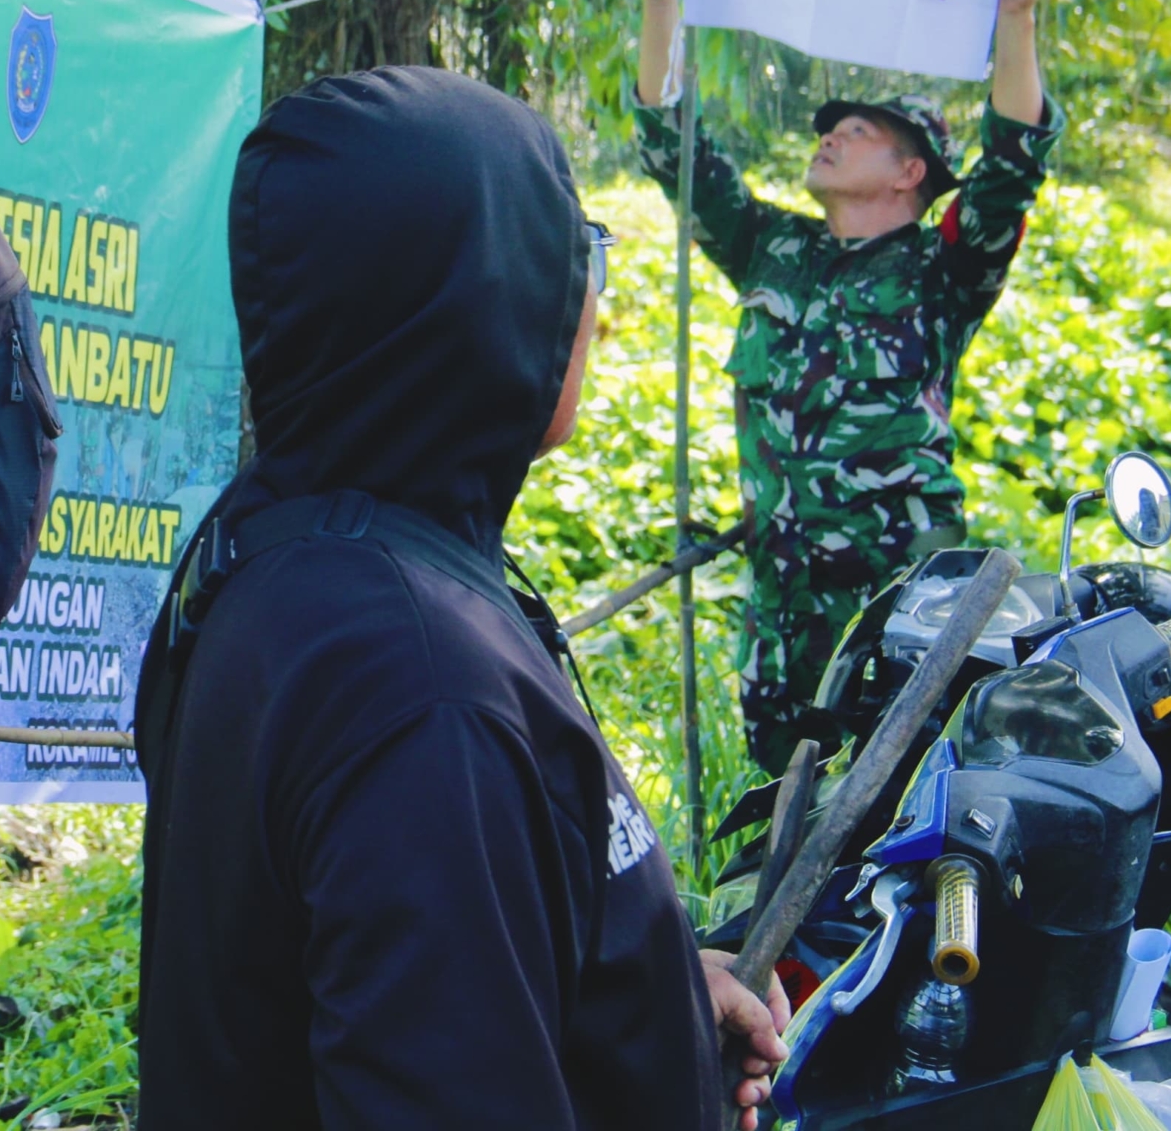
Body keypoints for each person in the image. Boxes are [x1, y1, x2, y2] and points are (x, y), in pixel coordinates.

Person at [133, 67, 791, 1131]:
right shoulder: (420, 686)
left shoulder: (272, 548)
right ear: (488, 295)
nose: (595, 306)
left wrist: (647, 996)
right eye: (575, 256)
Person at [631, 0, 1062, 774]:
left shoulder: (940, 268)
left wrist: (1016, 21)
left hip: (901, 613)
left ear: (913, 173)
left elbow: (1013, 165)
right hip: (783, 623)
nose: (829, 134)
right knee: (778, 837)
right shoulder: (774, 246)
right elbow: (671, 142)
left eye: (857, 129)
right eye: (830, 126)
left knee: (898, 831)